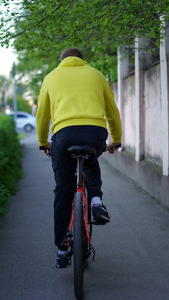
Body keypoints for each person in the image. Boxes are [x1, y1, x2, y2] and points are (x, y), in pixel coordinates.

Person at [36, 47, 122, 268]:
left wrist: (43, 142)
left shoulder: (51, 77)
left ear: (62, 61)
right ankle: (95, 201)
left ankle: (62, 248)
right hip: (94, 132)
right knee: (90, 160)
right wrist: (116, 140)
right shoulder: (96, 74)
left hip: (63, 135)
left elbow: (42, 114)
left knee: (63, 190)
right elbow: (112, 111)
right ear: (82, 61)